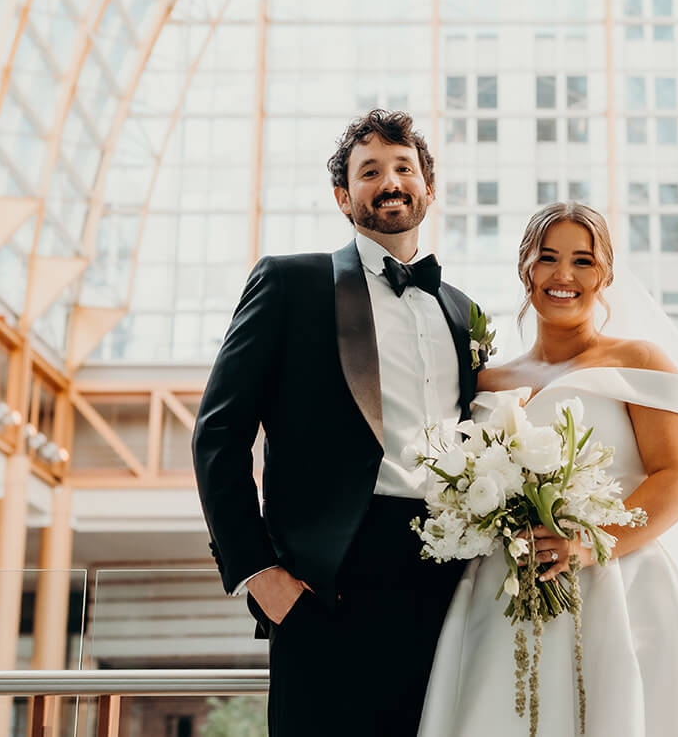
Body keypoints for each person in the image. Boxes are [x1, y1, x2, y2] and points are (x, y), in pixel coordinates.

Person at [418, 202, 678, 736]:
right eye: (548, 258)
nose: (564, 276)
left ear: (605, 275)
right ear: (526, 269)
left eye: (583, 262)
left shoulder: (640, 360)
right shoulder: (489, 381)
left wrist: (589, 546)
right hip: (505, 593)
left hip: (625, 589)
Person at [191, 110, 483, 737]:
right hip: (328, 583)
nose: (391, 182)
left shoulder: (463, 311)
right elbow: (219, 434)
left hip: (447, 577)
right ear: (344, 197)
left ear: (428, 187)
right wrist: (259, 574)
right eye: (370, 171)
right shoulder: (291, 283)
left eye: (405, 168)